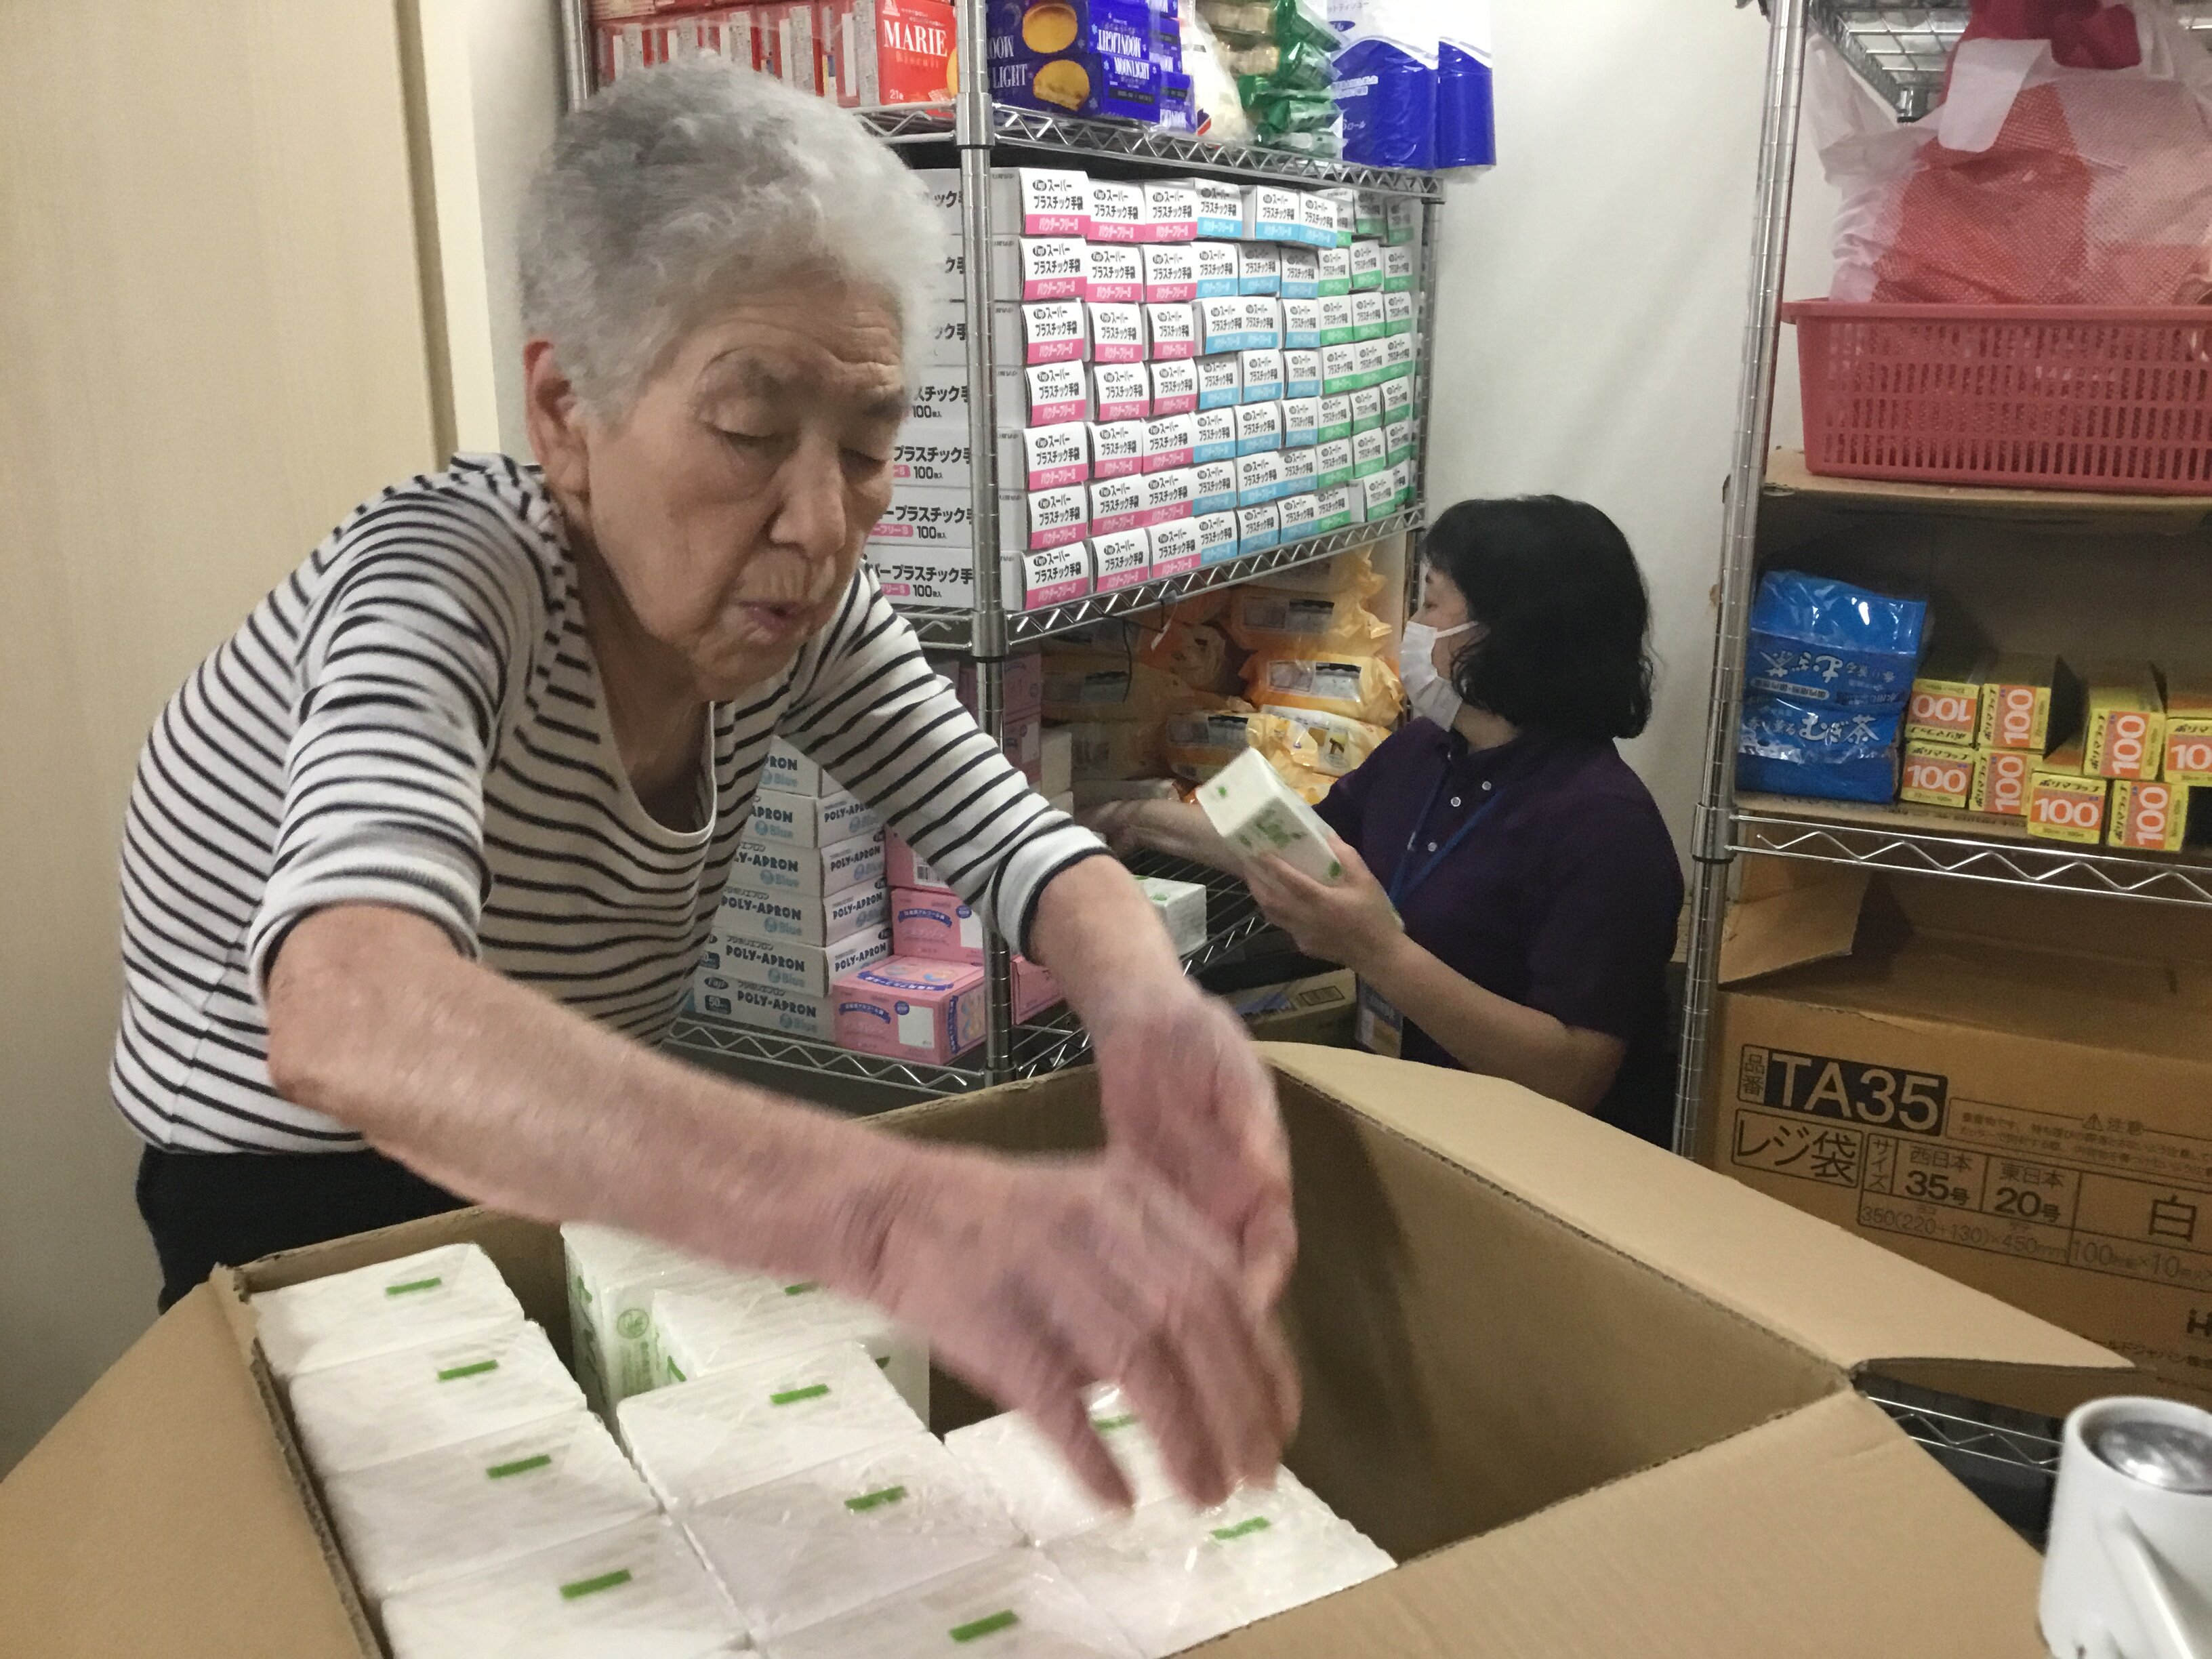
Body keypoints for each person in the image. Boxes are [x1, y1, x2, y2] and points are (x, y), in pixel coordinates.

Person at [112, 64, 1295, 1510]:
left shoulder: (800, 613)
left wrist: (1153, 1012)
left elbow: (1009, 837)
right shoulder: (441, 584)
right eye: (747, 432)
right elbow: (349, 1011)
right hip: (291, 1182)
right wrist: (888, 1216)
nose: (820, 521)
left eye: (868, 446)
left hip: (551, 1128)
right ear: (567, 410)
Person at [1093, 497, 1684, 1145]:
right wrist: (1130, 819)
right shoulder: (1426, 752)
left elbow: (1572, 1076)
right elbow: (1301, 847)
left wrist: (1376, 951)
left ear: (1507, 635)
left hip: (1519, 1165)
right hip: (1404, 1121)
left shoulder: (1605, 828)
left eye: (1431, 604)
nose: (1414, 626)